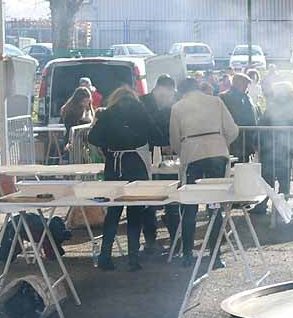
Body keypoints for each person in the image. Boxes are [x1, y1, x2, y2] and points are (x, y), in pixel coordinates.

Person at [169, 77, 239, 266]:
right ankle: (216, 256)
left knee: (189, 206)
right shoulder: (215, 101)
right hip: (217, 154)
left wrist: (183, 151)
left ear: (182, 91)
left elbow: (174, 140)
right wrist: (221, 144)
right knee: (215, 206)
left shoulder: (177, 107)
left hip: (192, 155)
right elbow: (233, 130)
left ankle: (187, 255)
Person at [87, 86, 153, 271]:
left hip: (114, 164)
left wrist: (109, 143)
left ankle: (105, 256)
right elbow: (154, 133)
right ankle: (133, 258)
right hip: (135, 162)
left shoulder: (108, 113)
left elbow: (93, 137)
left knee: (114, 213)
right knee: (135, 212)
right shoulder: (140, 111)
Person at [140, 76, 178, 251]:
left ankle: (175, 237)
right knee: (148, 199)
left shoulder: (174, 104)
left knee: (172, 197)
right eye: (166, 93)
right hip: (148, 154)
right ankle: (150, 239)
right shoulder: (142, 102)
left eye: (170, 94)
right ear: (158, 89)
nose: (168, 97)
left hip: (170, 157)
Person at [253, 81, 293, 216]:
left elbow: (261, 126)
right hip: (284, 148)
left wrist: (256, 142)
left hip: (271, 148)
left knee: (268, 178)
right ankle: (281, 207)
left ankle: (263, 205)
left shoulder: (273, 108)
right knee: (284, 179)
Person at [220, 73, 258, 161]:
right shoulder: (224, 97)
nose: (246, 87)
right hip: (234, 141)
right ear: (237, 83)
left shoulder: (247, 98)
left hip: (245, 140)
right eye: (244, 84)